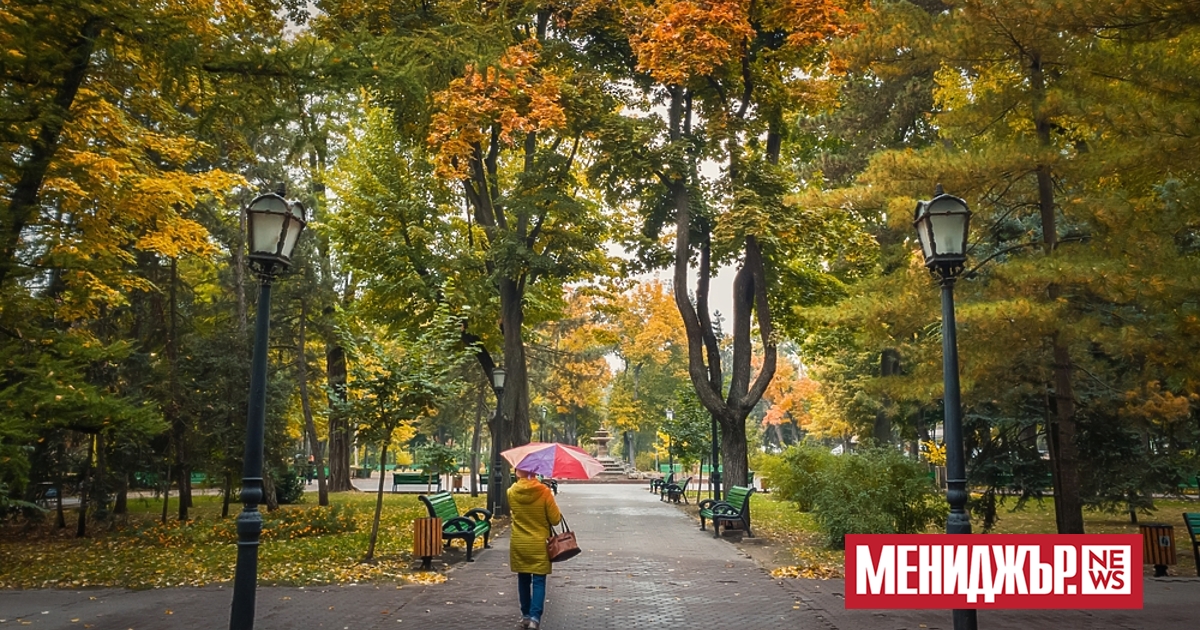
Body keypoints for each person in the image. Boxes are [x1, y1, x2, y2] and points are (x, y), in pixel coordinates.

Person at [507, 466, 562, 629]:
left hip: (519, 543)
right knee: (538, 581)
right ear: (534, 472)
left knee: (523, 579)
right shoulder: (544, 492)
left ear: (518, 473)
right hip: (539, 544)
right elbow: (555, 520)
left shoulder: (511, 492)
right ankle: (534, 618)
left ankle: (525, 615)